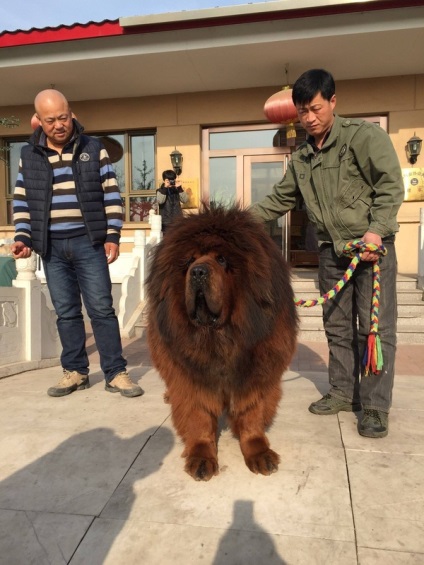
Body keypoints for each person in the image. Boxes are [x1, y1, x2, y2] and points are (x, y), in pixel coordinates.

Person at [251, 69, 404, 438]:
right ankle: (341, 391)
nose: (309, 118)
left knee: (375, 330)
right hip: (331, 253)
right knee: (336, 327)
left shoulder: (365, 137)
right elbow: (280, 198)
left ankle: (374, 406)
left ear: (333, 102)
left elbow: (391, 186)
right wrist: (238, 222)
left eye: (315, 108)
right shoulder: (302, 158)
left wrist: (374, 231)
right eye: (303, 111)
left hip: (371, 250)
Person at [11, 89, 143, 398]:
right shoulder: (29, 156)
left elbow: (111, 194)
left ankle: (116, 373)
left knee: (101, 308)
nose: (59, 125)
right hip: (52, 247)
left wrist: (112, 236)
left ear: (72, 114)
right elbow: (22, 201)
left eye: (63, 117)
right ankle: (75, 372)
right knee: (66, 312)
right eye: (50, 120)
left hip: (89, 242)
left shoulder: (93, 148)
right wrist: (22, 236)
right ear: (38, 122)